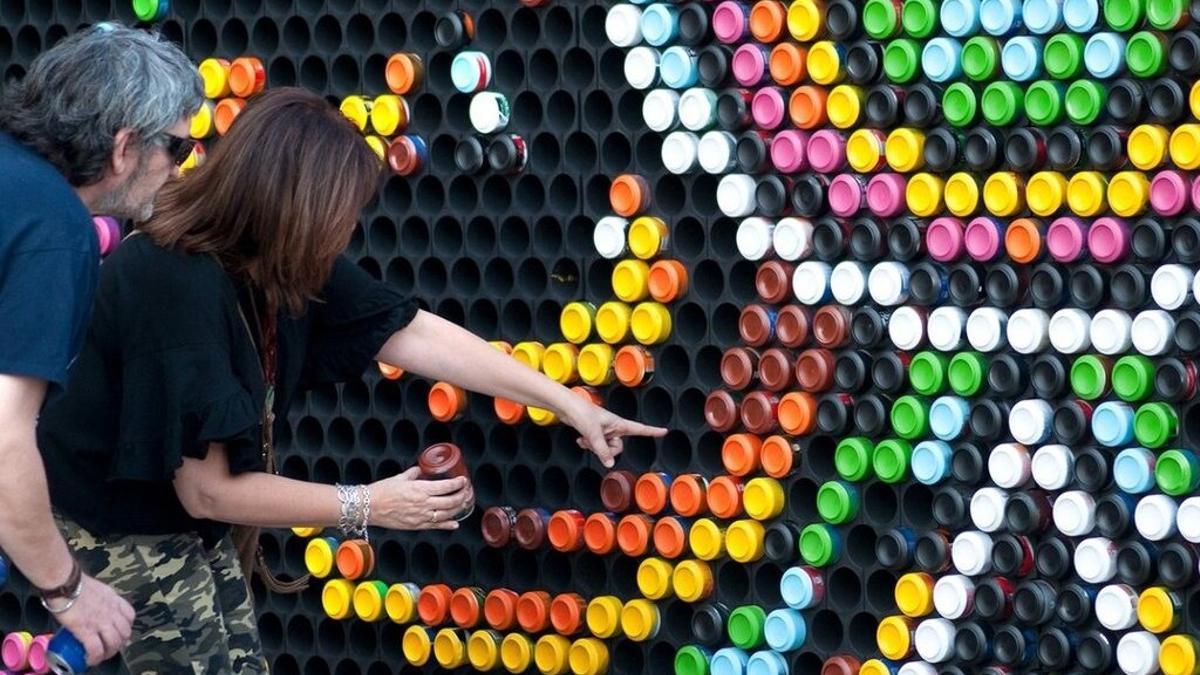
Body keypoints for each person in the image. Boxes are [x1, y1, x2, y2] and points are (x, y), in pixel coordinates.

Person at [36, 86, 667, 672]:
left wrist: (568, 403)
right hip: (114, 517)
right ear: (296, 206)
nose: (346, 231)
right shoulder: (170, 283)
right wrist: (370, 505)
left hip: (179, 514)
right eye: (339, 213)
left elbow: (411, 331)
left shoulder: (269, 252)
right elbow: (209, 491)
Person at [0, 23, 203, 666]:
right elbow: (2, 438)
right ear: (123, 147)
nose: (181, 166)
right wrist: (68, 592)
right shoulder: (58, 228)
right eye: (178, 146)